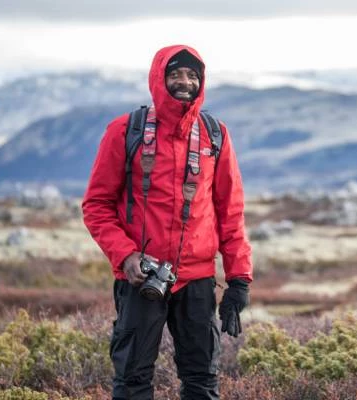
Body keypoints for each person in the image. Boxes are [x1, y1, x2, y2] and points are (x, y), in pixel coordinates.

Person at [82, 44, 253, 400]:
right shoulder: (124, 130)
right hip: (140, 278)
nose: (184, 82)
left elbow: (230, 213)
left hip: (197, 281)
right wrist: (126, 256)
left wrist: (238, 280)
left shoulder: (215, 134)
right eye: (175, 74)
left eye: (192, 75)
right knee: (132, 381)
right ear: (159, 78)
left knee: (202, 382)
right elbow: (96, 205)